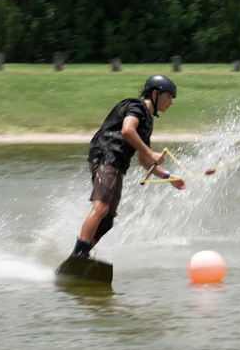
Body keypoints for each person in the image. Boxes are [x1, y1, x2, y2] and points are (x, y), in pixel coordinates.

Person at [71, 74, 186, 258]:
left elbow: (144, 161)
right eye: (169, 97)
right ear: (156, 93)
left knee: (107, 221)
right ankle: (78, 256)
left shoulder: (147, 122)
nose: (171, 102)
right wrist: (150, 152)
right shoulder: (136, 106)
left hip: (117, 164)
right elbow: (127, 130)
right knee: (101, 208)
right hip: (106, 155)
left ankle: (81, 256)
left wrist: (168, 177)